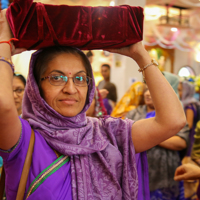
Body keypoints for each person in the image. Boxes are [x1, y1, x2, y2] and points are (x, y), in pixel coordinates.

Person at [0, 9, 186, 200]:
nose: (71, 89)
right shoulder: (24, 139)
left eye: (80, 78)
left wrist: (140, 54)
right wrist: (4, 45)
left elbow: (173, 121)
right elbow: (2, 105)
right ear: (36, 86)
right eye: (57, 78)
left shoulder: (108, 134)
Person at [126, 72, 189, 200]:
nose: (148, 93)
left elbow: (181, 142)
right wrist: (161, 134)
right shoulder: (134, 113)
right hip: (137, 174)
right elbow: (125, 138)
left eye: (153, 89)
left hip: (165, 176)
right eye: (147, 89)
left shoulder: (175, 116)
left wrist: (151, 135)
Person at [178, 80, 199, 156]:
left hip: (189, 135)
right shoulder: (190, 103)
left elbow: (189, 125)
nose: (178, 92)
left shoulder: (189, 106)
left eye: (180, 90)